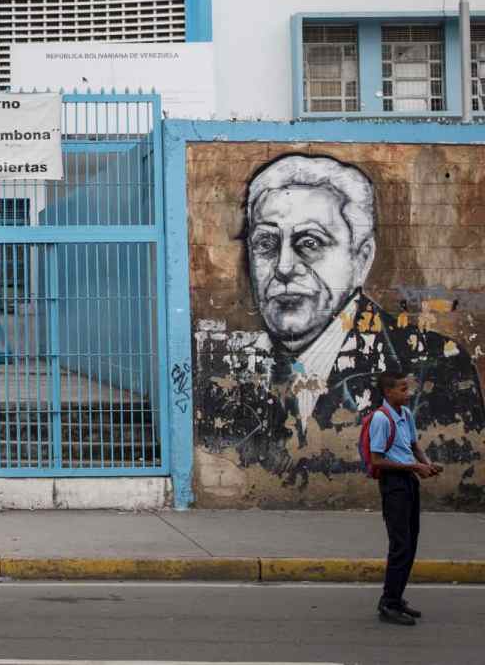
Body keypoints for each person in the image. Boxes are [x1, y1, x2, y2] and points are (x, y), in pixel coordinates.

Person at [195, 153, 485, 492]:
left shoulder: (434, 365)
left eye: (310, 243)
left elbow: (457, 482)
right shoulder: (225, 369)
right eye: (266, 243)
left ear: (361, 259)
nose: (284, 267)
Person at [370, 371, 443, 626]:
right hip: (393, 485)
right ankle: (388, 604)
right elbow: (377, 460)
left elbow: (413, 445)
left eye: (407, 388)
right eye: (402, 389)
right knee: (400, 545)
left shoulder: (406, 415)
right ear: (388, 392)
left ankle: (396, 598)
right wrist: (414, 468)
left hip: (409, 482)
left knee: (411, 542)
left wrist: (427, 464)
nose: (408, 393)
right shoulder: (381, 418)